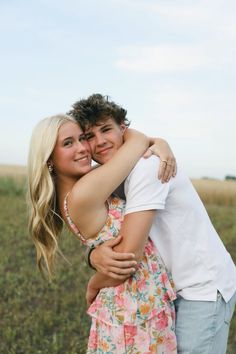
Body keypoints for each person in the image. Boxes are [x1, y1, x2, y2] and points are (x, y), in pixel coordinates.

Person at [69, 93, 236, 354]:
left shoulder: (147, 166)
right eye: (90, 136)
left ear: (123, 128)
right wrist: (92, 255)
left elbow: (128, 254)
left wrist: (94, 283)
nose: (100, 141)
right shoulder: (116, 173)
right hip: (168, 290)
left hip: (201, 288)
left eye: (106, 129)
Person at [27, 114, 177, 353]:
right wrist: (94, 284)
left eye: (82, 138)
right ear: (49, 160)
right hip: (133, 310)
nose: (84, 148)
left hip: (129, 304)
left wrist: (159, 142)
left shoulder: (78, 188)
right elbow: (136, 142)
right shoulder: (84, 192)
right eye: (68, 143)